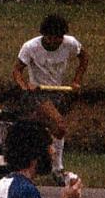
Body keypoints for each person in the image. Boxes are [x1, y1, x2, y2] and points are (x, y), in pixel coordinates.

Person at [12, 14, 88, 183]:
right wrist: (25, 87)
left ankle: (45, 166)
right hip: (38, 94)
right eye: (52, 38)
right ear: (44, 35)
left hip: (57, 92)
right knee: (59, 125)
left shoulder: (70, 43)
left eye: (59, 38)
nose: (56, 41)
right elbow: (17, 71)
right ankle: (58, 169)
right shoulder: (30, 47)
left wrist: (76, 80)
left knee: (54, 131)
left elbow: (84, 58)